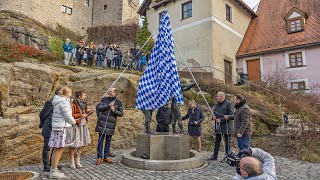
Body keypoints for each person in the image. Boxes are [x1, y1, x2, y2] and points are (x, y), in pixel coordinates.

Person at [48, 87, 76, 179]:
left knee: (57, 149)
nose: (71, 94)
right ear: (66, 93)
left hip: (59, 127)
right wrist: (74, 122)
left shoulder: (59, 100)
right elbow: (68, 116)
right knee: (59, 149)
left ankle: (53, 169)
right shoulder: (63, 102)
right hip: (62, 127)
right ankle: (53, 171)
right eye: (70, 92)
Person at [95, 88, 123, 165]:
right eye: (109, 91)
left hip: (111, 124)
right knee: (100, 140)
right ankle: (99, 157)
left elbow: (121, 114)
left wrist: (114, 110)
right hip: (102, 123)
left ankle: (106, 157)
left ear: (115, 93)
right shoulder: (104, 99)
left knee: (108, 141)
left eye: (111, 91)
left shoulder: (119, 102)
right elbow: (99, 108)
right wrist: (108, 106)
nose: (109, 92)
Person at [39, 88, 61, 172]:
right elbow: (42, 114)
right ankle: (46, 165)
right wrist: (44, 123)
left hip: (56, 127)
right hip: (48, 127)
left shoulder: (60, 102)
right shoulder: (50, 102)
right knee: (47, 147)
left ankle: (53, 164)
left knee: (55, 146)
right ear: (59, 94)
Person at [68, 91, 92, 169]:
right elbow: (71, 115)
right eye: (84, 95)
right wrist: (81, 115)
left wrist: (89, 112)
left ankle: (78, 160)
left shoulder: (84, 103)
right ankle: (72, 161)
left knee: (81, 143)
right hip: (76, 125)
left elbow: (84, 113)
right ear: (79, 97)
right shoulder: (73, 104)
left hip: (83, 124)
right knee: (73, 144)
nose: (85, 96)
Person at [210, 91, 234, 160]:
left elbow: (231, 115)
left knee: (227, 143)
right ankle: (215, 156)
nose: (216, 97)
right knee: (217, 142)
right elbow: (214, 113)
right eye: (217, 96)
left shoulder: (229, 104)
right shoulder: (217, 104)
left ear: (222, 96)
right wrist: (213, 116)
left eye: (217, 96)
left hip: (226, 127)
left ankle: (227, 157)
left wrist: (221, 119)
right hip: (218, 127)